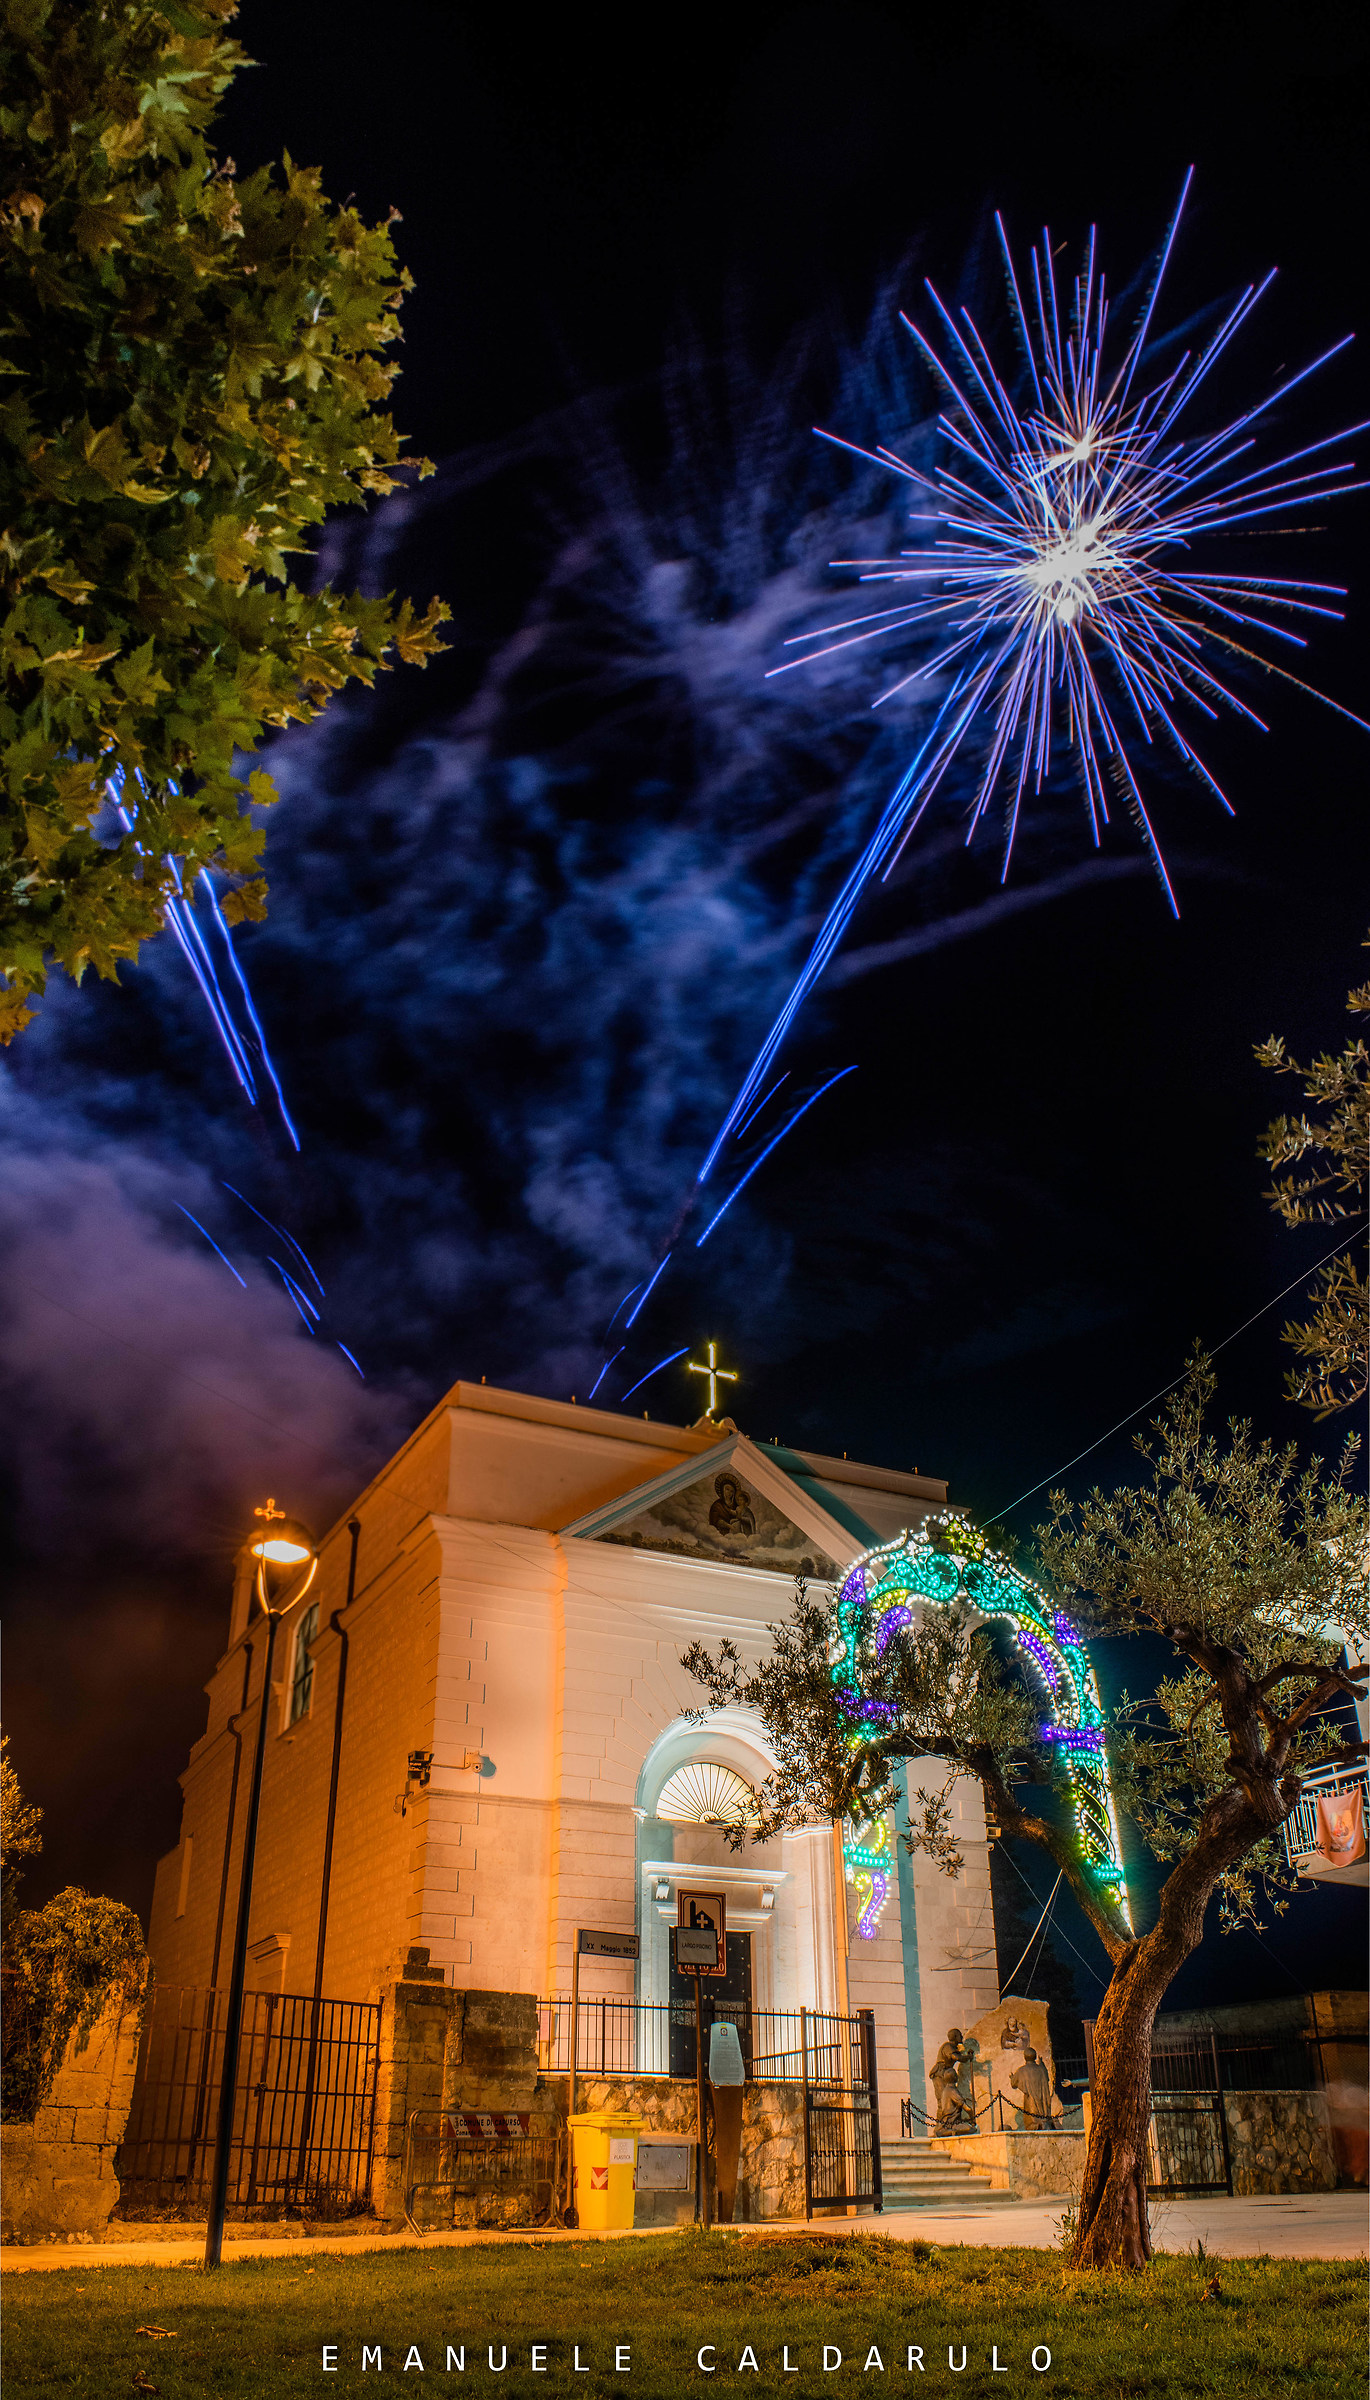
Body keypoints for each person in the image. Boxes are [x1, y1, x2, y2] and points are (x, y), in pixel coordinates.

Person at [1009, 2046, 1055, 2129]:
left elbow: (1013, 2084)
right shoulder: (1041, 2069)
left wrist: (1012, 2077)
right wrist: (1042, 2064)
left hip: (1030, 2099)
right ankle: (1042, 2124)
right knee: (1040, 2115)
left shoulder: (1022, 2070)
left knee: (1032, 2120)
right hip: (1042, 2101)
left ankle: (1038, 2125)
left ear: (1025, 2057)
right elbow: (1046, 2077)